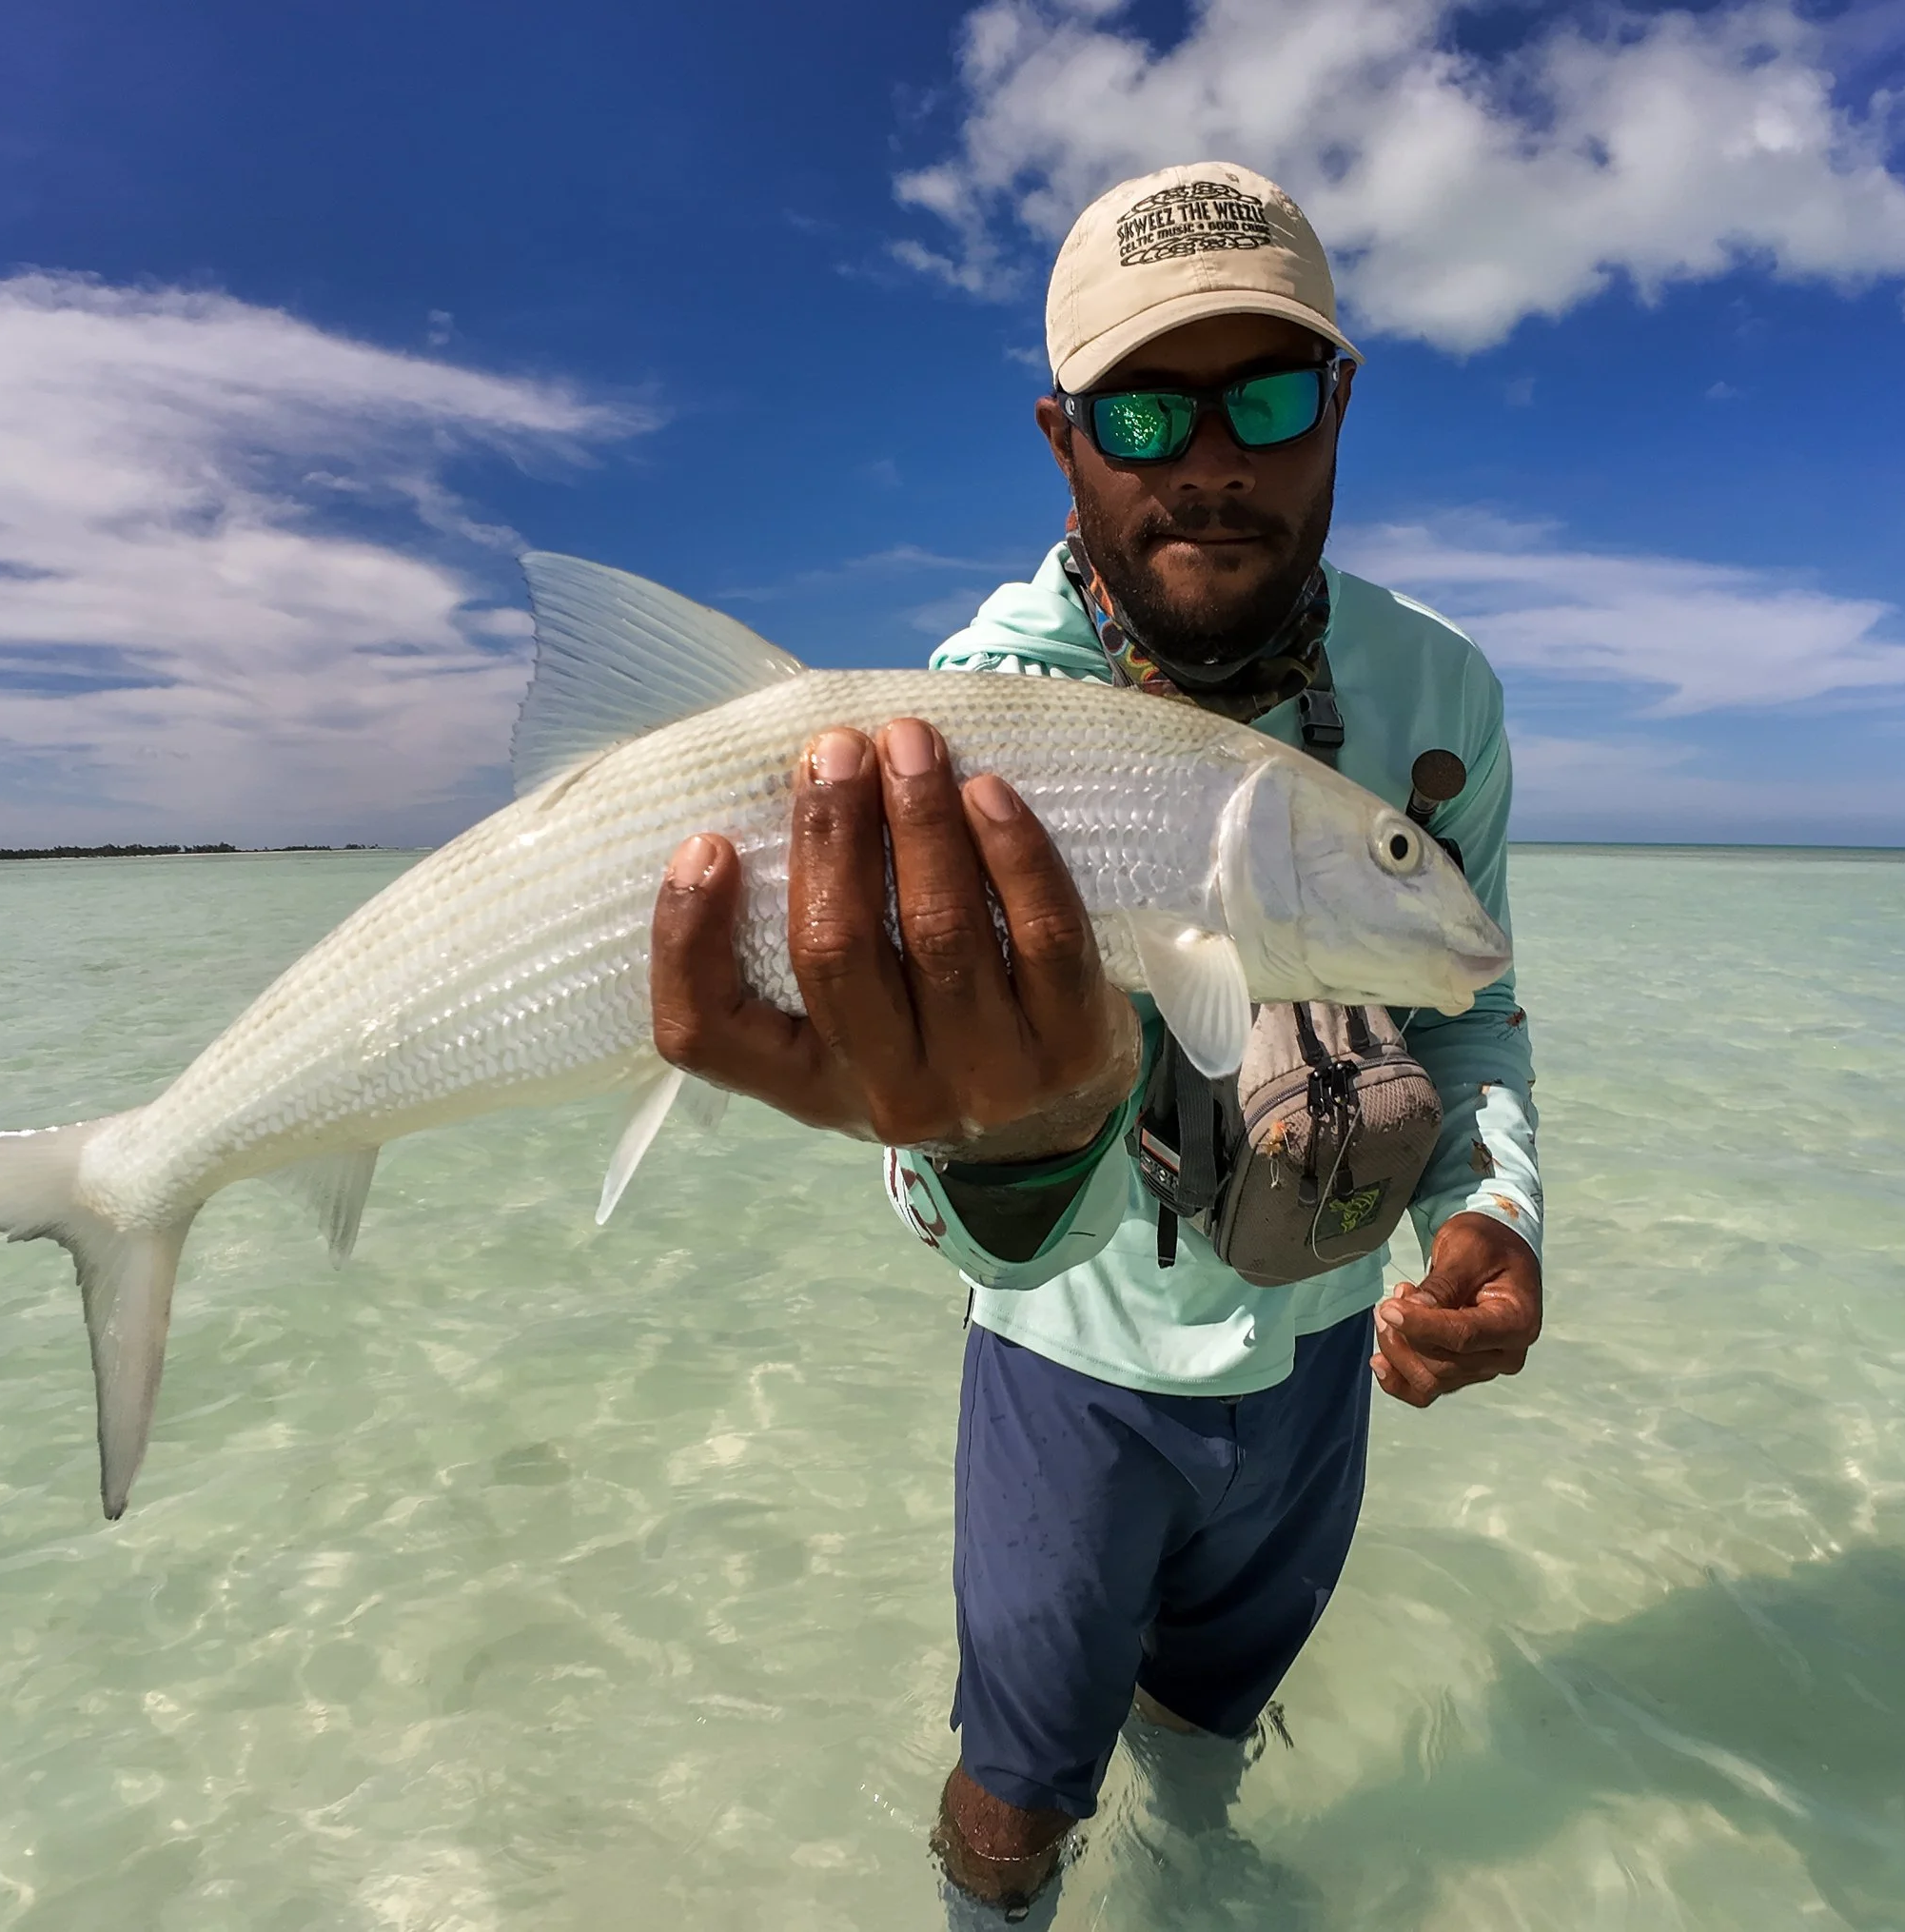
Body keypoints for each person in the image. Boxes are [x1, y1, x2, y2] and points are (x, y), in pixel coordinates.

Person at [649, 161, 1542, 1923]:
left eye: (1268, 395)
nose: (1212, 456)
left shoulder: (1442, 694)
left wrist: (1497, 1209)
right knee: (1011, 1788)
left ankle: (1195, 1876)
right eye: (1145, 408)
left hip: (1323, 1362)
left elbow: (1482, 997)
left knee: (1213, 1720)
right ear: (1067, 441)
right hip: (1075, 1365)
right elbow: (934, 1166)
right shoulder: (963, 722)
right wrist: (1012, 1146)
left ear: (1337, 407)